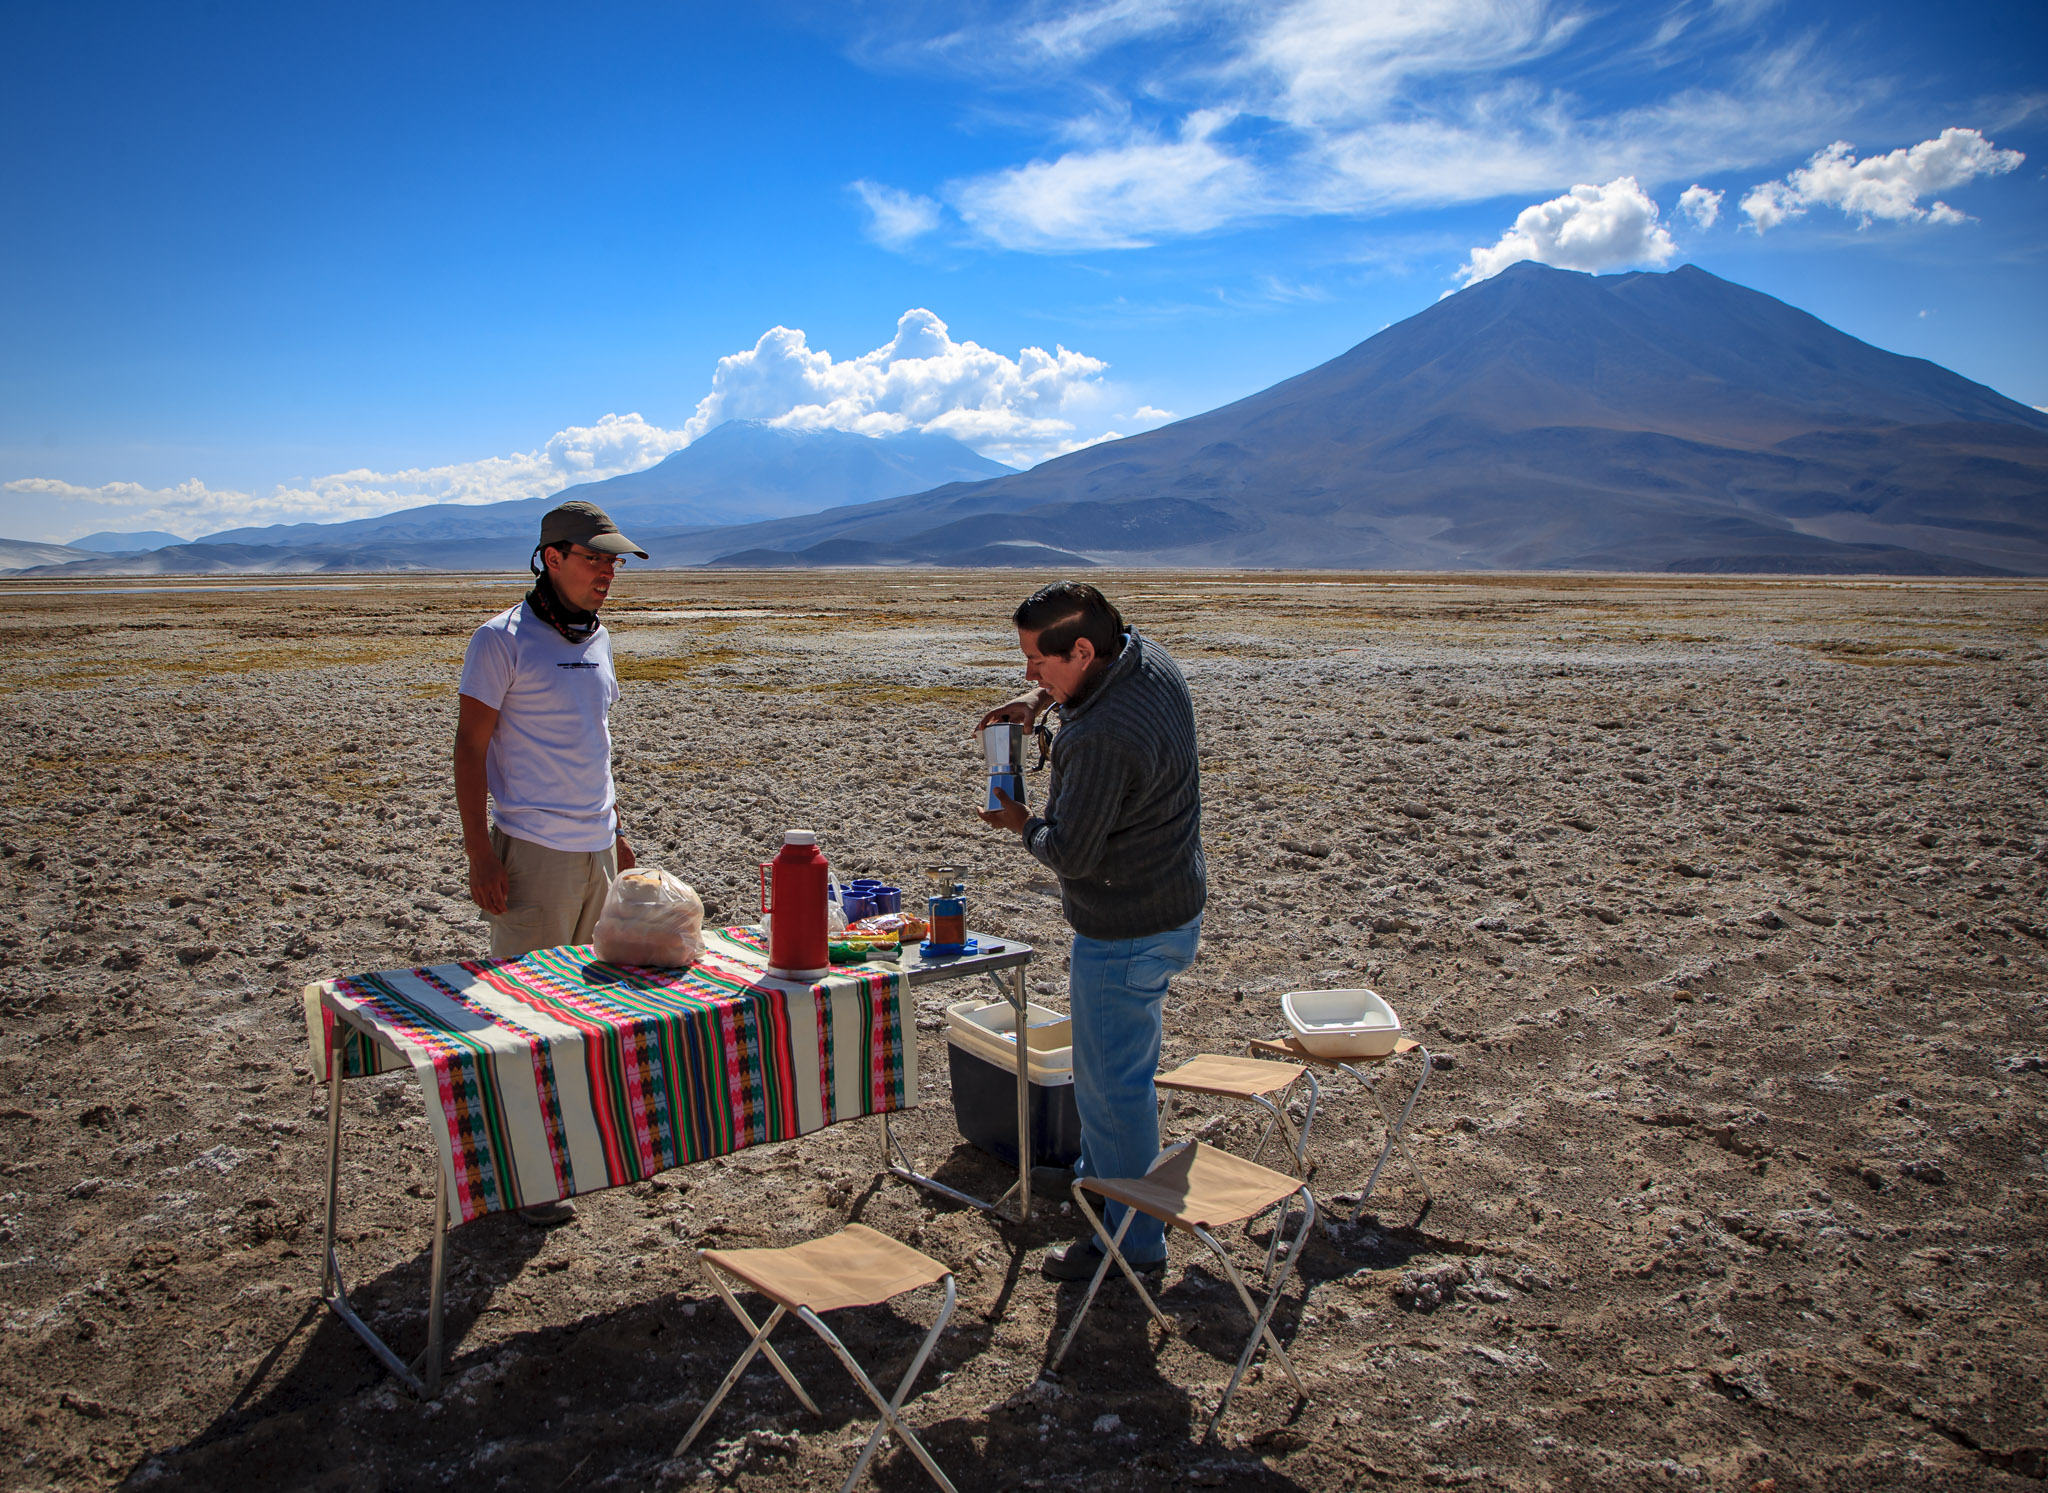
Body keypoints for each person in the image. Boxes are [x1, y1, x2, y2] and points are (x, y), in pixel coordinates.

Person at [976, 581, 1205, 1281]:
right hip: (1170, 906)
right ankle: (1094, 1178)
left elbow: (1072, 850)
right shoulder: (1142, 655)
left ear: (1081, 649)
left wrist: (1020, 823)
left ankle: (1131, 1243)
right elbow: (1091, 680)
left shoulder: (1105, 735)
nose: (1027, 675)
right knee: (1120, 1070)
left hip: (1125, 926)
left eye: (1038, 665)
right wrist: (1039, 705)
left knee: (1113, 1089)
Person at [454, 499, 645, 959]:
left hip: (598, 848)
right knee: (529, 999)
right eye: (593, 558)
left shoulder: (598, 638)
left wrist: (615, 831)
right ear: (552, 558)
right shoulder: (500, 639)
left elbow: (592, 741)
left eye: (612, 561)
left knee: (594, 993)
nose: (607, 573)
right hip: (534, 851)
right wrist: (480, 855)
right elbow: (469, 748)